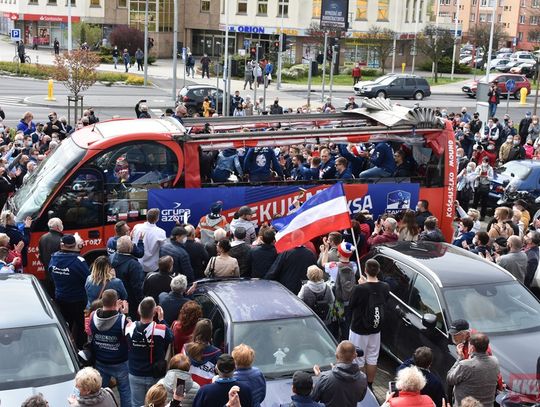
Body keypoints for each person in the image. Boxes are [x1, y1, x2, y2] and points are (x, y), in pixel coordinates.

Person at [349, 259, 390, 389]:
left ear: (365, 270)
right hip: (376, 328)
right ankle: (370, 385)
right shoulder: (385, 286)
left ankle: (360, 385)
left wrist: (362, 285)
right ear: (378, 271)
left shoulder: (359, 288)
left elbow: (351, 305)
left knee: (358, 358)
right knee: (372, 357)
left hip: (359, 328)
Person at [125, 297, 173, 407]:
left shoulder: (129, 327)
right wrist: (161, 319)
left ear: (138, 311)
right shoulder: (161, 329)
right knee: (156, 404)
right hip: (154, 374)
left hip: (135, 373)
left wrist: (126, 314)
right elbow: (171, 338)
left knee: (137, 404)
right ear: (154, 312)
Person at [89, 289, 131, 407]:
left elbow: (90, 333)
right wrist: (125, 314)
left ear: (103, 302)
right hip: (120, 362)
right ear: (115, 303)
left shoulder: (93, 316)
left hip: (100, 361)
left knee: (99, 394)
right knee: (125, 392)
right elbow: (130, 336)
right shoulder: (122, 319)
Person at [49, 234, 89, 348]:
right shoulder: (78, 261)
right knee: (81, 326)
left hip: (61, 298)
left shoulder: (54, 258)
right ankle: (80, 348)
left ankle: (65, 347)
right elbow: (88, 279)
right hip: (78, 300)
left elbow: (51, 274)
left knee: (65, 325)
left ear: (62, 244)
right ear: (74, 245)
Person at [447, 333, 500, 407]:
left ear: (472, 348)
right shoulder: (495, 362)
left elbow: (450, 379)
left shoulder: (465, 365)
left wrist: (460, 358)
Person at [310, 340, 367, 407]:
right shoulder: (363, 378)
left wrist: (320, 377)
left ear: (336, 356)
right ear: (355, 356)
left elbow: (313, 398)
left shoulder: (325, 378)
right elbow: (360, 398)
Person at [111, 235, 145, 320]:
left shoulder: (111, 257)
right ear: (130, 249)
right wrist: (141, 302)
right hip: (130, 301)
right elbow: (138, 287)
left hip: (114, 298)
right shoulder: (134, 265)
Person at [184, 318, 222, 386]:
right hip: (206, 391)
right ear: (210, 334)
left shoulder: (186, 348)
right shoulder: (217, 353)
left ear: (196, 331)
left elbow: (180, 372)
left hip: (187, 389)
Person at [132, 208, 167, 273]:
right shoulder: (161, 232)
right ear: (157, 219)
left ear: (147, 216)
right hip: (152, 267)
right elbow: (164, 248)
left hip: (137, 264)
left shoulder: (137, 227)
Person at [38, 217, 63, 298]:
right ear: (58, 227)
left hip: (47, 271)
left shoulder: (42, 237)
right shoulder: (61, 239)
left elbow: (40, 255)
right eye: (61, 224)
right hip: (59, 273)